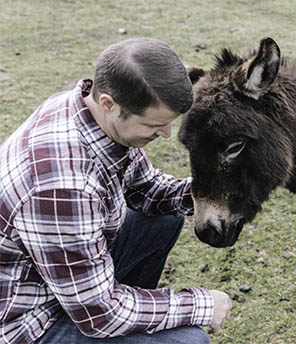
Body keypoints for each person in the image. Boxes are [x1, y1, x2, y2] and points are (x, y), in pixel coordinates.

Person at [0, 38, 231, 343]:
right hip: (29, 321)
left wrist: (210, 192)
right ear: (109, 103)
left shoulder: (89, 112)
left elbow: (146, 191)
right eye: (154, 125)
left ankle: (130, 318)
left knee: (162, 218)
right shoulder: (62, 186)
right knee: (188, 341)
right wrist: (201, 305)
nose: (165, 134)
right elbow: (100, 315)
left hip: (63, 280)